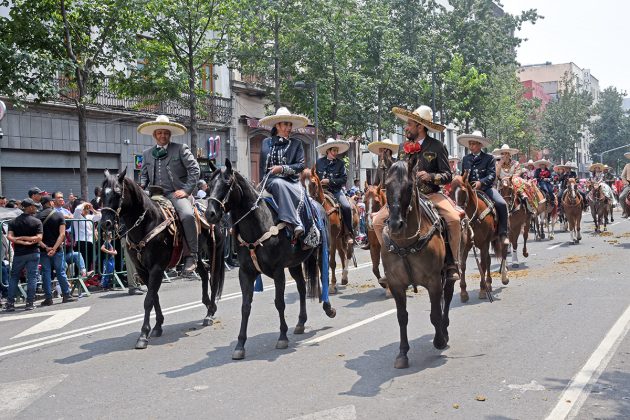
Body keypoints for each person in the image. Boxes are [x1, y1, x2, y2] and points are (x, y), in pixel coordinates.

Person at [373, 105, 462, 283]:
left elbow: (447, 176)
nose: (406, 128)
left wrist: (430, 176)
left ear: (420, 127)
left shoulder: (437, 146)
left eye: (410, 124)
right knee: (376, 221)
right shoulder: (402, 148)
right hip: (406, 197)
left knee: (454, 219)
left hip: (431, 195)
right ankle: (390, 262)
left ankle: (452, 262)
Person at [139, 115, 201, 275]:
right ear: (154, 135)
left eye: (165, 133)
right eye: (159, 133)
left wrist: (186, 190)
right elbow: (143, 175)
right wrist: (142, 186)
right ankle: (139, 258)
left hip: (176, 194)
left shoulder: (180, 148)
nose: (162, 136)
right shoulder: (146, 153)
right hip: (153, 195)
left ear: (170, 134)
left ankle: (191, 256)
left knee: (187, 216)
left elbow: (195, 170)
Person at [258, 107, 309, 240]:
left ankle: (295, 222)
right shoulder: (266, 143)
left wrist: (282, 168)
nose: (289, 127)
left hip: (291, 181)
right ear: (277, 125)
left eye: (290, 124)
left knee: (279, 183)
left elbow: (301, 165)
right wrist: (260, 183)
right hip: (269, 181)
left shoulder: (297, 143)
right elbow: (262, 166)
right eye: (286, 124)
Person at [459, 131, 510, 247]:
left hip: (486, 189)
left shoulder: (489, 158)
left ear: (480, 145)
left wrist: (480, 183)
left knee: (502, 204)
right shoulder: (466, 159)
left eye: (474, 144)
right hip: (470, 190)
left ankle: (503, 232)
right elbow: (463, 175)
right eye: (470, 144)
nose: (471, 146)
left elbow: (492, 175)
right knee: (456, 205)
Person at [4, 198, 43, 312]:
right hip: (33, 252)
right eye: (34, 206)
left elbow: (10, 237)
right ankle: (29, 302)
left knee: (14, 277)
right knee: (32, 277)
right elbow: (39, 238)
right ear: (29, 207)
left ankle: (10, 303)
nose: (35, 208)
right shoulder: (36, 221)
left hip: (19, 254)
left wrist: (20, 240)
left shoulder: (13, 222)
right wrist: (26, 240)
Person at [37, 196, 75, 306]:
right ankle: (66, 295)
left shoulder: (37, 216)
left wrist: (46, 247)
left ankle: (48, 298)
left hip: (44, 250)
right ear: (50, 203)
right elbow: (62, 234)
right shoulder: (59, 215)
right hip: (57, 249)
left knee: (46, 273)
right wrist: (54, 248)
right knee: (60, 272)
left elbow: (37, 236)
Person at [315, 138, 355, 244]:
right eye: (334, 150)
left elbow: (343, 179)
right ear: (328, 150)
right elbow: (313, 176)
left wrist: (329, 181)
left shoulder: (340, 164)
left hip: (336, 190)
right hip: (321, 191)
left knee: (346, 207)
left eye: (337, 151)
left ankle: (347, 233)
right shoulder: (319, 162)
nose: (336, 153)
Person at [620, 152, 630, 218]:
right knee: (621, 197)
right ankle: (625, 211)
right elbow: (622, 176)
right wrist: (626, 182)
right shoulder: (627, 165)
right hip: (629, 184)